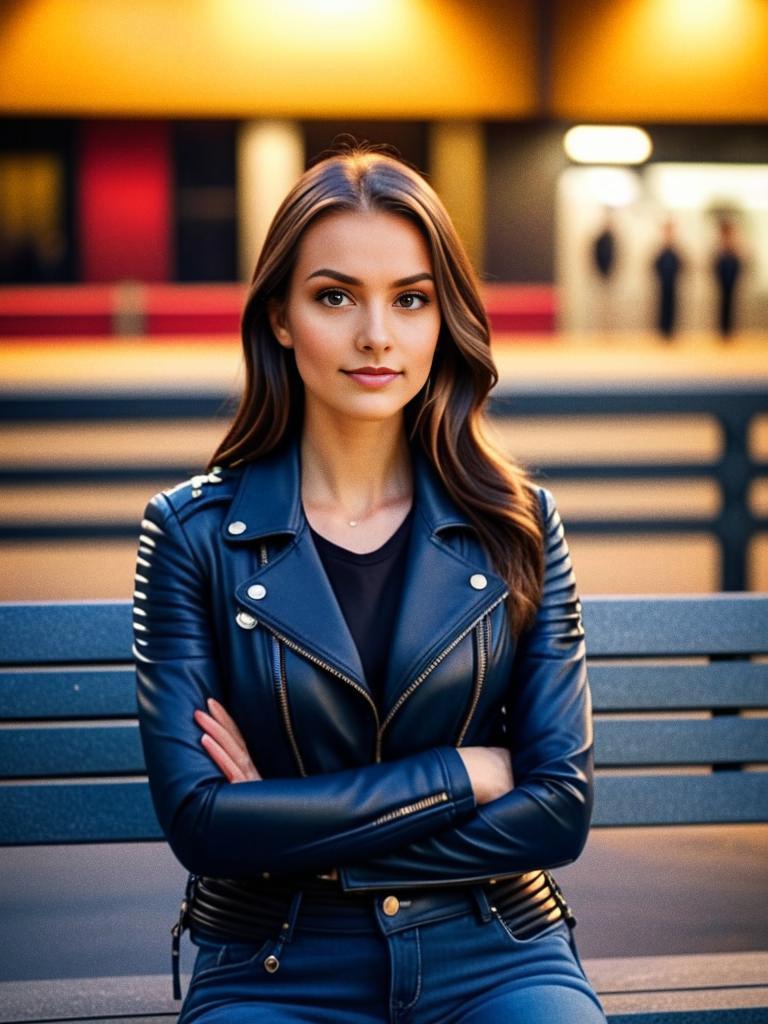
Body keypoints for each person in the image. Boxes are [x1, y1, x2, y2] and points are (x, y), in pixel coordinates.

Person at [133, 148, 607, 1024]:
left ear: (443, 318)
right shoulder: (191, 536)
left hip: (497, 946)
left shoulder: (519, 525)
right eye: (336, 296)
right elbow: (200, 824)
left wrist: (282, 824)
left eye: (411, 299)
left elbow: (559, 813)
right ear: (279, 316)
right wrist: (466, 774)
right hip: (274, 957)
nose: (377, 335)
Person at [653, 219, 683, 339]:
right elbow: (655, 265)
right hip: (663, 284)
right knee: (662, 308)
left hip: (673, 284)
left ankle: (671, 331)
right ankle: (662, 331)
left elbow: (681, 265)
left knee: (673, 308)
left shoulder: (675, 250)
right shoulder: (661, 250)